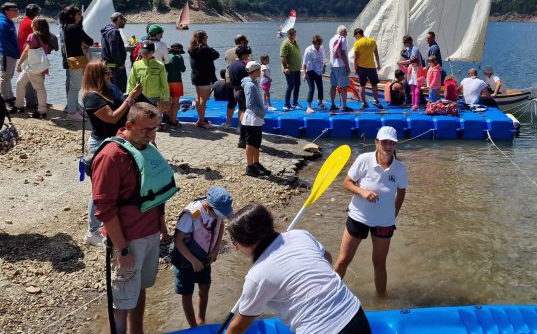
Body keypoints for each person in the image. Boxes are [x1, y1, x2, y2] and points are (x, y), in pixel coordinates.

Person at [91, 103, 177, 334]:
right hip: (128, 239)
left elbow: (153, 189)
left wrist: (161, 221)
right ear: (128, 125)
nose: (151, 135)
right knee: (121, 302)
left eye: (155, 129)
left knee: (140, 289)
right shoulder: (110, 156)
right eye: (146, 130)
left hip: (150, 233)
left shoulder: (146, 146)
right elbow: (105, 209)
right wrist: (123, 250)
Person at [226, 203, 372, 334]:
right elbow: (327, 258)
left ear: (245, 241)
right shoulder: (300, 235)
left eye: (234, 241)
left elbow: (238, 327)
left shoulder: (256, 276)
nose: (234, 246)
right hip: (355, 315)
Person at [334, 126, 408, 296]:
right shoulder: (363, 159)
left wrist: (393, 215)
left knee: (379, 263)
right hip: (358, 217)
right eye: (384, 142)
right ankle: (328, 296)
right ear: (376, 142)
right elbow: (346, 182)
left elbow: (402, 192)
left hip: (385, 223)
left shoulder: (400, 168)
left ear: (395, 145)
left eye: (392, 143)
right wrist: (363, 192)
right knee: (343, 260)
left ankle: (381, 301)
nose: (388, 146)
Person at [82, 60, 143, 245]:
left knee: (114, 186)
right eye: (107, 72)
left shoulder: (107, 90)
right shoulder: (91, 97)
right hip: (100, 145)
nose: (110, 74)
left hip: (115, 142)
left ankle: (107, 224)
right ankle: (92, 232)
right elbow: (112, 117)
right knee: (100, 190)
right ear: (98, 75)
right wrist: (130, 98)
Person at [172, 186, 233, 328]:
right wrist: (192, 260)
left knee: (205, 287)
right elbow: (177, 240)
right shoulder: (191, 214)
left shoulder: (217, 215)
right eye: (218, 214)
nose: (219, 217)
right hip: (185, 260)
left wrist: (216, 249)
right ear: (208, 206)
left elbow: (221, 225)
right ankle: (193, 326)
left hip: (205, 257)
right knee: (187, 293)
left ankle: (201, 319)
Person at [11, 17, 53, 119]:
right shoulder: (46, 36)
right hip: (38, 65)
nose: (31, 24)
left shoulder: (32, 36)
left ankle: (41, 110)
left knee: (38, 88)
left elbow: (26, 51)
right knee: (20, 83)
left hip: (31, 66)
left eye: (32, 23)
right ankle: (19, 105)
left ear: (35, 26)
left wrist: (19, 63)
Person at [61, 5, 94, 119]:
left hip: (70, 59)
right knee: (75, 87)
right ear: (72, 15)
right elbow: (89, 41)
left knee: (74, 86)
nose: (81, 15)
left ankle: (74, 109)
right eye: (79, 13)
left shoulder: (65, 27)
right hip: (77, 60)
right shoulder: (75, 28)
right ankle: (71, 112)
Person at [240, 61, 270, 176]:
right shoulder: (250, 85)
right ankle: (250, 166)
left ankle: (256, 163)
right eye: (259, 70)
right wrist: (261, 111)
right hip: (252, 117)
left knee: (257, 141)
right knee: (250, 142)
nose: (261, 72)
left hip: (256, 118)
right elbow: (250, 104)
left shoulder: (254, 82)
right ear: (255, 71)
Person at [188, 30, 219, 128]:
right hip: (205, 77)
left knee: (198, 98)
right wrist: (206, 44)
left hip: (196, 77)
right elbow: (216, 54)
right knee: (203, 100)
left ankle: (200, 118)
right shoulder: (205, 49)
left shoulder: (192, 48)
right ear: (204, 38)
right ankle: (201, 121)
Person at [127, 40, 170, 109]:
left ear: (153, 52)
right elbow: (131, 82)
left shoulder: (160, 65)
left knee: (154, 117)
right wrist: (129, 95)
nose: (144, 55)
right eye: (143, 53)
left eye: (147, 53)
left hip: (155, 98)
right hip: (139, 97)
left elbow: (164, 83)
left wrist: (166, 98)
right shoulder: (136, 65)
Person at [17, 3, 41, 109]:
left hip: (24, 53)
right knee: (31, 80)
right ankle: (31, 102)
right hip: (30, 55)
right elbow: (35, 41)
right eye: (38, 12)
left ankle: (31, 100)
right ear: (35, 13)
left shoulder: (23, 21)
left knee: (27, 80)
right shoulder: (32, 24)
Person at [352, 28, 382, 109]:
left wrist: (355, 68)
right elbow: (376, 54)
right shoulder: (372, 41)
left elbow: (356, 58)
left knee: (362, 85)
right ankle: (376, 100)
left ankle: (364, 102)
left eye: (355, 36)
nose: (355, 38)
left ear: (358, 34)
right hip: (372, 67)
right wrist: (378, 65)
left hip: (361, 67)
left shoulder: (357, 43)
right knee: (374, 84)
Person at [101, 12, 129, 92]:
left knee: (110, 87)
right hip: (115, 66)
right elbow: (114, 50)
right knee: (119, 88)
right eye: (124, 20)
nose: (125, 22)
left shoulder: (106, 30)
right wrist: (120, 64)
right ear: (119, 19)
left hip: (108, 64)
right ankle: (119, 104)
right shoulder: (114, 32)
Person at [0, 2, 20, 108]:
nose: (17, 11)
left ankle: (9, 96)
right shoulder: (2, 23)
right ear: (6, 11)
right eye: (15, 10)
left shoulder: (9, 21)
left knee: (9, 76)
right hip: (7, 54)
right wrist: (14, 52)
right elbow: (3, 42)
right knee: (5, 76)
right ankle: (4, 100)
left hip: (12, 54)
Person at [329, 25, 352, 112]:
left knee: (333, 85)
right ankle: (345, 106)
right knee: (343, 87)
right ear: (342, 32)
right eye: (345, 31)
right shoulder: (342, 39)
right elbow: (342, 54)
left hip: (332, 65)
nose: (346, 33)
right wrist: (347, 66)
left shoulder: (332, 39)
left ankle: (332, 104)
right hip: (341, 65)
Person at [228, 44, 252, 129]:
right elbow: (250, 78)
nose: (248, 56)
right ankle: (241, 127)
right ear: (243, 55)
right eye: (247, 54)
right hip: (242, 91)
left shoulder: (233, 64)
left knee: (241, 108)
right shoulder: (243, 66)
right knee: (244, 109)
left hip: (235, 89)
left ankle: (239, 126)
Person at [302, 34, 326, 111]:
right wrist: (304, 74)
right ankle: (309, 106)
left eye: (320, 44)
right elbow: (304, 63)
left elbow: (323, 59)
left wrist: (324, 67)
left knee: (320, 87)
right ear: (314, 43)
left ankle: (320, 103)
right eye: (317, 44)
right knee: (312, 88)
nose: (319, 45)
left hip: (318, 70)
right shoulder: (308, 50)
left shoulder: (322, 48)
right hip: (310, 71)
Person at [279, 28, 301, 111]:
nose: (293, 36)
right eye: (291, 35)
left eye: (294, 34)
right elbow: (282, 57)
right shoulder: (285, 43)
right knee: (290, 86)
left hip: (297, 68)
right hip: (289, 69)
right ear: (288, 35)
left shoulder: (295, 42)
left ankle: (295, 102)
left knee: (297, 85)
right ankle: (286, 104)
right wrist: (286, 68)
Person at [166, 43, 187, 128]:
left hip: (166, 82)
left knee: (169, 102)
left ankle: (169, 119)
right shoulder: (178, 57)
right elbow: (183, 69)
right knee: (175, 103)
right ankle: (173, 122)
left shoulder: (167, 55)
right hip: (176, 82)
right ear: (179, 50)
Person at [399, 35, 423, 105]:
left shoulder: (414, 49)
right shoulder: (408, 49)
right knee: (413, 85)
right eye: (403, 42)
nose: (404, 44)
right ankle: (420, 101)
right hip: (411, 69)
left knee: (407, 84)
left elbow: (412, 60)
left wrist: (401, 62)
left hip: (417, 70)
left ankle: (408, 100)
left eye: (405, 42)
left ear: (409, 42)